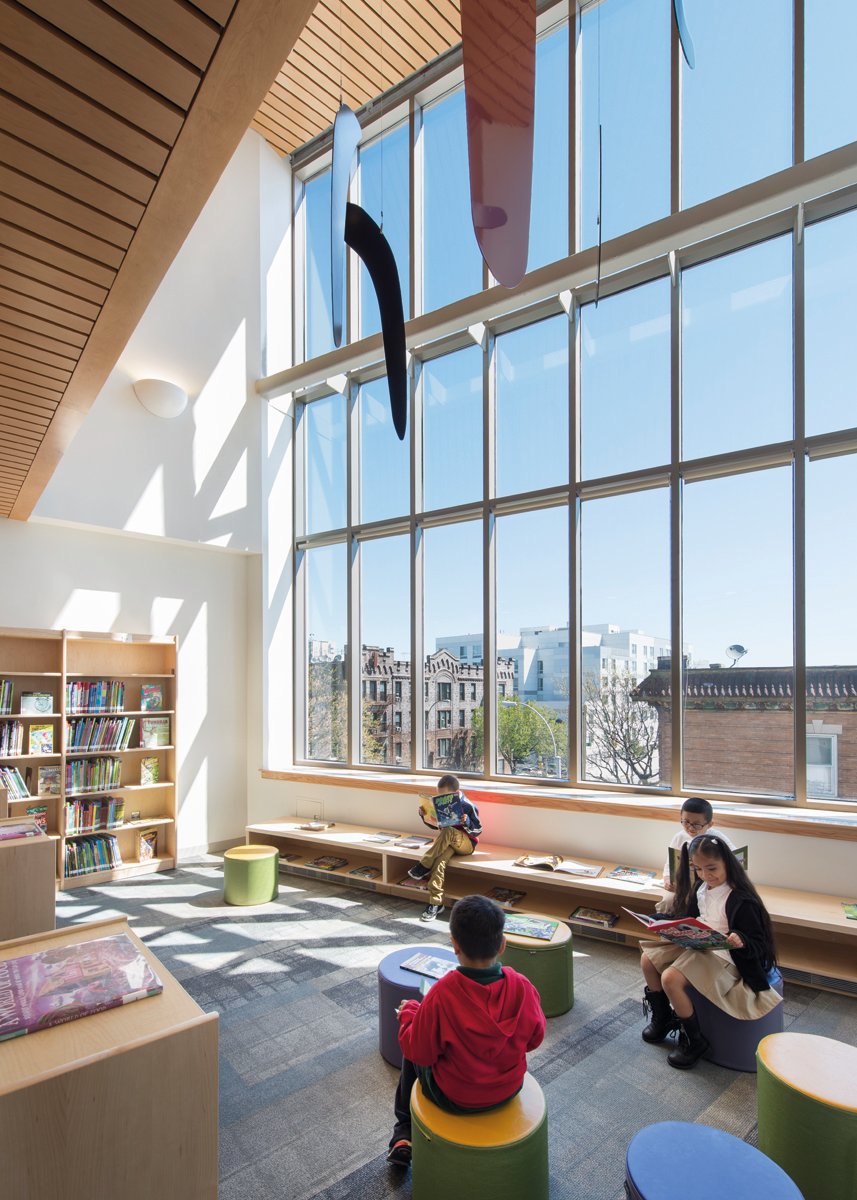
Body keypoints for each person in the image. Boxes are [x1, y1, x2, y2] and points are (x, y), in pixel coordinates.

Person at [387, 894, 545, 1167]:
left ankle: (403, 1131)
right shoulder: (522, 986)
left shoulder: (442, 994)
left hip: (455, 1097)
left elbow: (419, 1052)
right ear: (503, 945)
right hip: (508, 1088)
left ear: (454, 944)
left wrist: (410, 1014)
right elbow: (535, 1038)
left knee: (411, 1045)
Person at [640, 834, 781, 1069]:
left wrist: (741, 940)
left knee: (671, 979)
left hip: (727, 956)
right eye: (698, 869)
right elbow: (689, 917)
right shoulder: (702, 888)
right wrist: (657, 920)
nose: (706, 875)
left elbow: (759, 941)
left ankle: (694, 1040)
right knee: (648, 960)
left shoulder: (741, 898)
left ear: (728, 862)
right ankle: (663, 1018)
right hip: (701, 945)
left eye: (712, 868)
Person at [407, 773, 482, 922]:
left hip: (466, 844)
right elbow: (437, 827)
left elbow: (478, 830)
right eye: (438, 795)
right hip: (448, 842)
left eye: (444, 795)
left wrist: (466, 823)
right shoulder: (441, 804)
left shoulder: (467, 805)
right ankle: (435, 903)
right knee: (439, 862)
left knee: (448, 831)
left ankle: (423, 864)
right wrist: (424, 815)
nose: (440, 799)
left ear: (454, 793)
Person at [661, 797, 736, 894]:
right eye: (686, 822)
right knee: (667, 902)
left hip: (711, 885)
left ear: (709, 824)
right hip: (685, 885)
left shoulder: (717, 837)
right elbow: (669, 865)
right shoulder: (679, 837)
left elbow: (736, 857)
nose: (690, 828)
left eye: (697, 824)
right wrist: (667, 879)